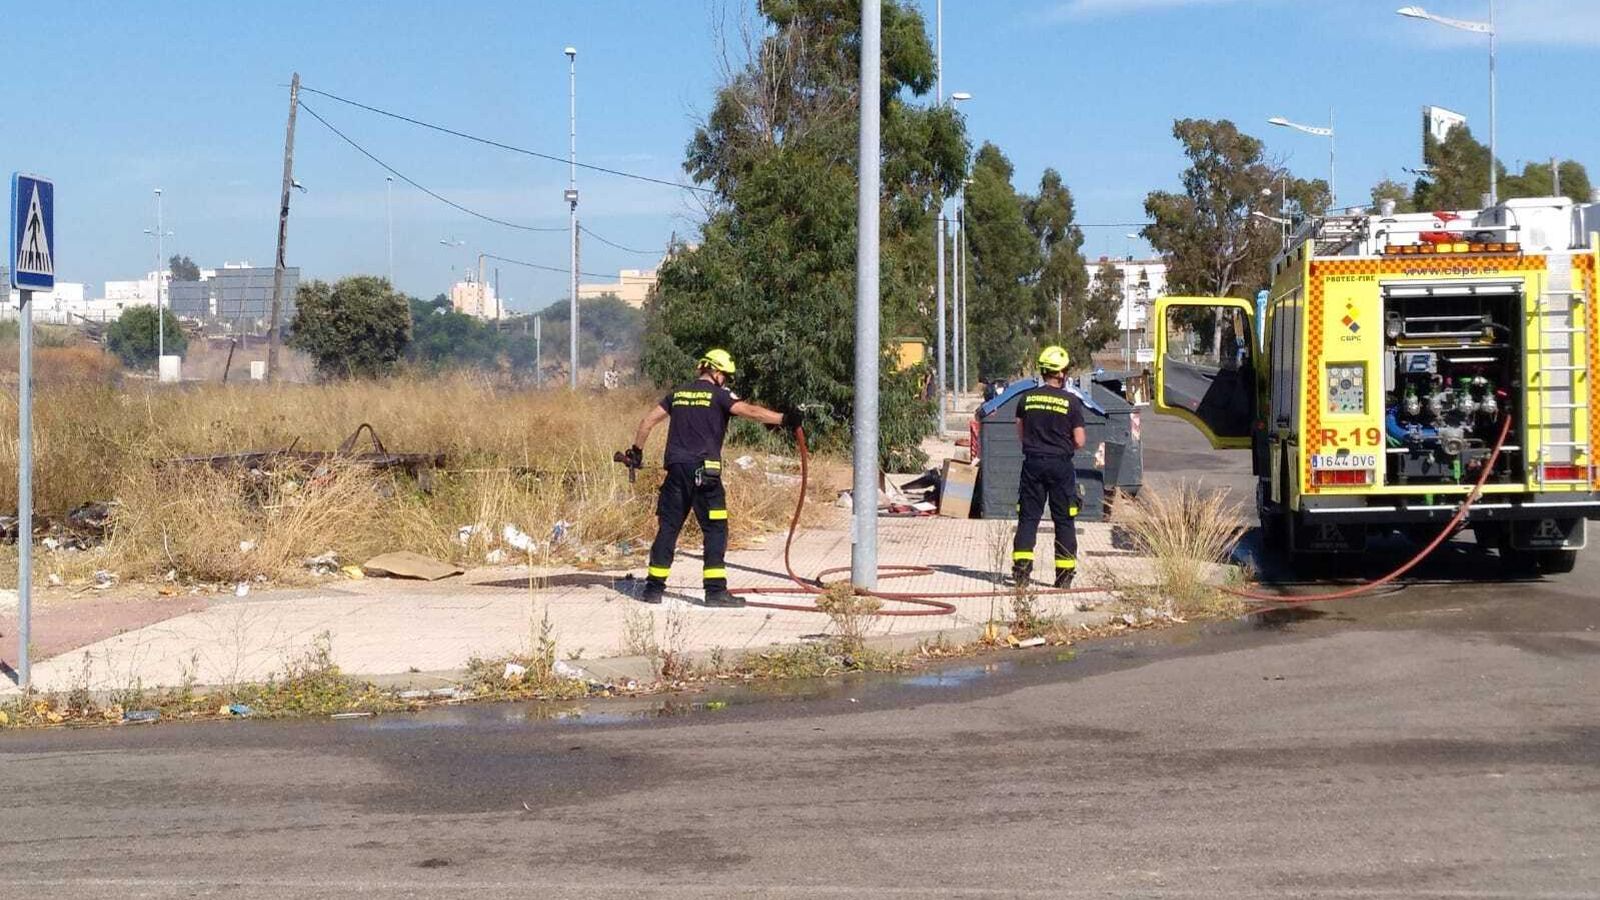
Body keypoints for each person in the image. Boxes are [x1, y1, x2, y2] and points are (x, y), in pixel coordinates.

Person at [626, 349, 799, 607]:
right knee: (716, 529)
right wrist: (784, 419)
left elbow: (647, 422)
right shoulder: (720, 395)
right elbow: (750, 411)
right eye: (725, 376)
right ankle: (715, 592)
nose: (726, 380)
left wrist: (636, 452)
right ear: (716, 372)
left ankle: (653, 589)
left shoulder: (679, 394)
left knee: (668, 528)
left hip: (675, 472)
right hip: (705, 474)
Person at [1012, 345, 1087, 588]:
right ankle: (1063, 578)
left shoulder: (1027, 399)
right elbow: (1079, 440)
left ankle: (1022, 573)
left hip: (1032, 464)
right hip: (1060, 466)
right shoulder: (1071, 402)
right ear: (1062, 373)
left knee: (1028, 518)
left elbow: (1021, 434)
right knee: (1064, 520)